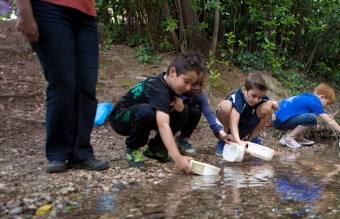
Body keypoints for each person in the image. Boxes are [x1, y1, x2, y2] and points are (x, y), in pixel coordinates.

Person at [15, 0, 109, 173]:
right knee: (64, 83)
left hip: (86, 15)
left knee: (86, 87)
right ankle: (58, 154)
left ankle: (81, 153)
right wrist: (24, 12)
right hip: (49, 9)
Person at [108, 52, 203, 173]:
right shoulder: (157, 87)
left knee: (182, 110)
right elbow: (163, 124)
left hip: (139, 115)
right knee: (148, 112)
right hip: (120, 118)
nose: (189, 87)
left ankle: (156, 148)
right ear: (173, 72)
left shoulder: (170, 84)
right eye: (186, 81)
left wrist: (178, 99)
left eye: (192, 83)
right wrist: (177, 157)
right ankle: (132, 148)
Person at [271, 83, 340, 148]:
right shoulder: (315, 102)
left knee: (311, 119)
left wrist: (313, 122)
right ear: (322, 97)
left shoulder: (308, 97)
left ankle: (297, 137)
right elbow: (330, 122)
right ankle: (288, 137)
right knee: (312, 118)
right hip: (279, 121)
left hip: (275, 118)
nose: (326, 106)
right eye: (327, 103)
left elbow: (300, 111)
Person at [214, 73, 278, 155]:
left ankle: (251, 141)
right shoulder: (238, 97)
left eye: (259, 97)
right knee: (225, 105)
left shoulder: (257, 97)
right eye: (253, 96)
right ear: (244, 89)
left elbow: (277, 107)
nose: (256, 100)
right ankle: (223, 142)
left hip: (242, 128)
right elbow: (233, 121)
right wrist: (238, 142)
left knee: (269, 109)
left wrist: (270, 103)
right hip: (226, 129)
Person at [174, 70, 231, 156]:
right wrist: (177, 100)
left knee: (195, 111)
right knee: (184, 108)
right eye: (193, 84)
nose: (197, 88)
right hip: (168, 119)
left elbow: (209, 114)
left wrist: (221, 132)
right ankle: (162, 142)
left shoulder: (199, 96)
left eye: (200, 84)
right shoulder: (175, 91)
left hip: (182, 119)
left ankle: (181, 140)